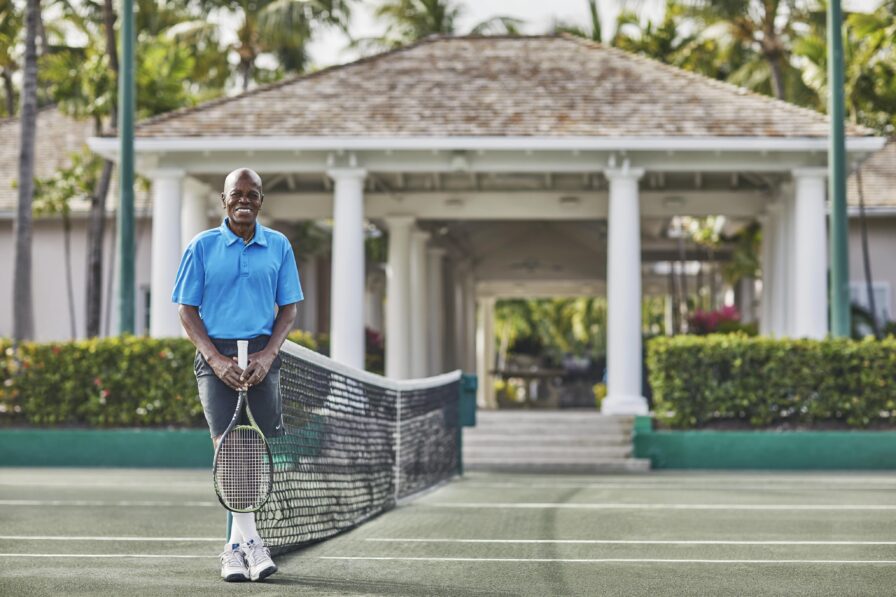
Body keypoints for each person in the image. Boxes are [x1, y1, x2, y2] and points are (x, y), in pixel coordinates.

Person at [172, 168, 303, 582]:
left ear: (261, 201)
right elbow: (186, 310)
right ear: (223, 200)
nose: (244, 199)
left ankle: (235, 545)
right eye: (236, 194)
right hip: (217, 359)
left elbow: (288, 309)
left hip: (263, 356)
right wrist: (214, 359)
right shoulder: (202, 246)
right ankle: (247, 546)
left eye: (252, 194)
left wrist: (268, 354)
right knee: (230, 451)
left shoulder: (279, 246)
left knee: (254, 451)